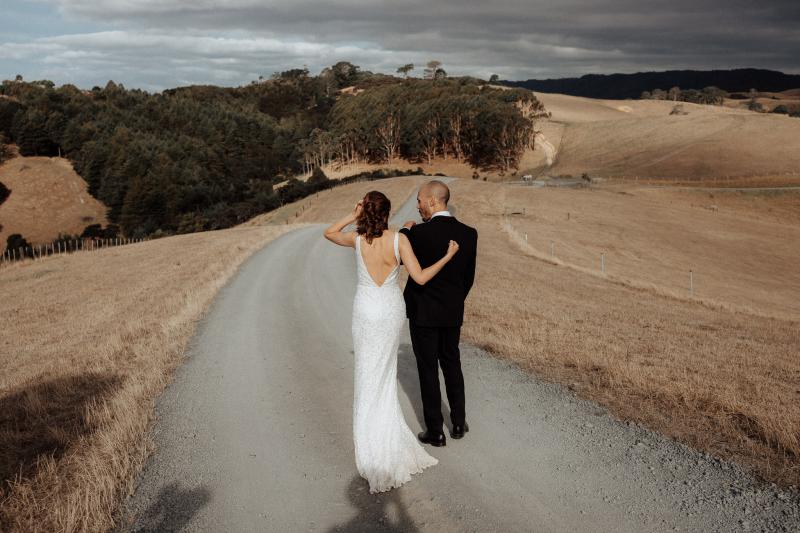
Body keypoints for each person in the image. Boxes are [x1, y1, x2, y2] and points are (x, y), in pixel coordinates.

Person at [323, 190, 459, 493]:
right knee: (384, 374)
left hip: (365, 311)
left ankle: (370, 437)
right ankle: (386, 435)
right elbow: (421, 278)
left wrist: (353, 213)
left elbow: (329, 232)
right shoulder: (400, 239)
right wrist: (447, 256)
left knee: (367, 374)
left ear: (366, 212)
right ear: (387, 213)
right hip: (389, 311)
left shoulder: (357, 239)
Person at [399, 180, 478, 447]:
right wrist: (454, 301)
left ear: (433, 201)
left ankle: (436, 431)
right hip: (452, 311)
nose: (418, 205)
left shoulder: (418, 234)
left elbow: (399, 259)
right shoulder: (469, 233)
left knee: (428, 369)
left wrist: (405, 231)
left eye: (420, 200)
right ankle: (458, 422)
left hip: (423, 314)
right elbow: (468, 278)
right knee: (452, 364)